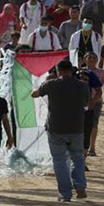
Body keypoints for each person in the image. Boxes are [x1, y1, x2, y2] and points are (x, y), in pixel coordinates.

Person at [32, 59, 89, 202]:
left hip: (56, 128)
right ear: (71, 70)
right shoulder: (82, 86)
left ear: (58, 71)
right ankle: (80, 185)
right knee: (77, 157)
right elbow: (86, 102)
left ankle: (65, 194)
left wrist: (45, 83)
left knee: (59, 161)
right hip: (76, 127)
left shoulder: (51, 84)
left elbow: (35, 94)